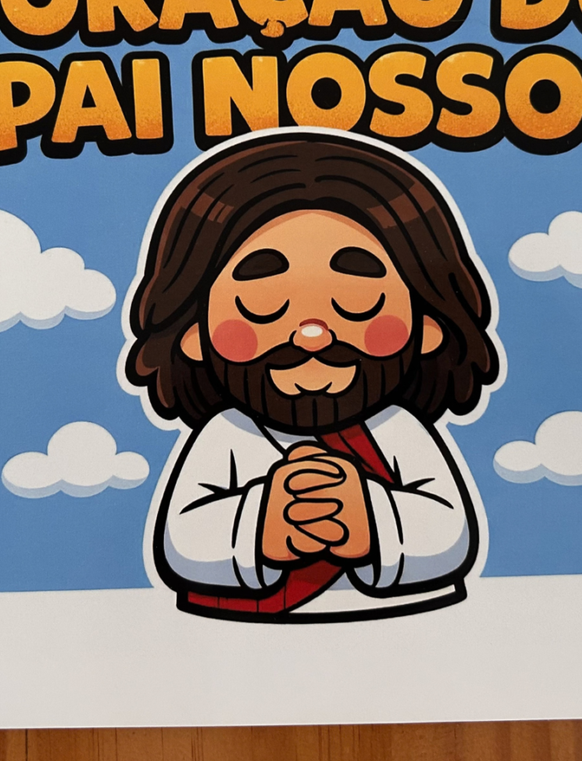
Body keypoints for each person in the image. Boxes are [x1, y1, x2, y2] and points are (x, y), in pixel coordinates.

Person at [125, 131, 501, 620]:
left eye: (358, 301)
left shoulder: (399, 430)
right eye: (262, 304)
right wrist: (261, 522)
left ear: (428, 326)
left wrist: (371, 516)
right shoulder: (226, 435)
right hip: (238, 636)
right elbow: (182, 542)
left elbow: (451, 534)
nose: (312, 334)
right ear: (193, 334)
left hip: (411, 630)